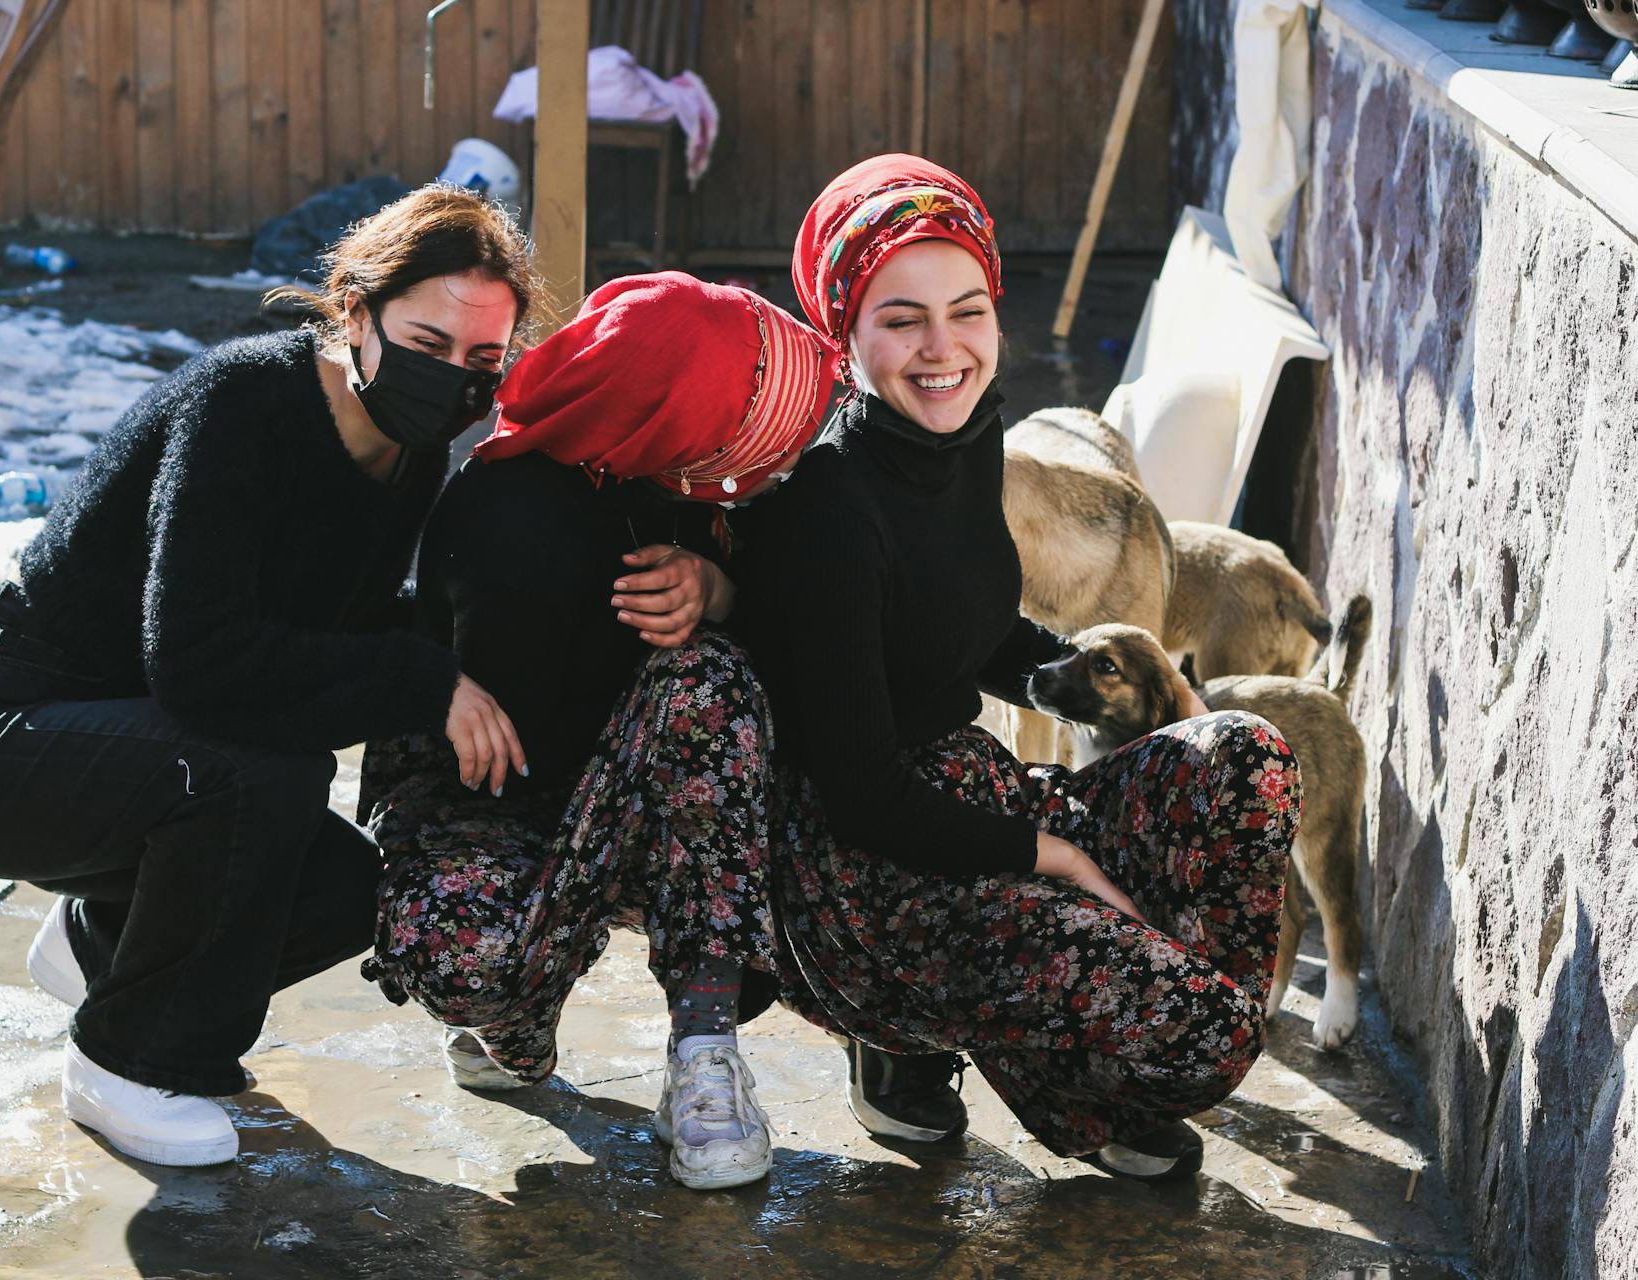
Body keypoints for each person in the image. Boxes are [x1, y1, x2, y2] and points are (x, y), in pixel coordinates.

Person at [0, 185, 539, 1168]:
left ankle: (103, 948)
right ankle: (130, 1059)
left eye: (482, 361)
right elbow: (201, 667)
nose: (453, 377)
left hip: (132, 755)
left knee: (351, 887)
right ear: (357, 314)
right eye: (429, 339)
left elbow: (337, 636)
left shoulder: (406, 458)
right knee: (261, 774)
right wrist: (422, 678)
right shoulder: (244, 402)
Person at [732, 155, 1299, 1180]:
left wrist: (1144, 694)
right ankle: (909, 1034)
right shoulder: (826, 501)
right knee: (1206, 1034)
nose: (944, 348)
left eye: (969, 309)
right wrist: (1059, 856)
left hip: (974, 793)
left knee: (1242, 755)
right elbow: (860, 792)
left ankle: (1073, 1072)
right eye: (902, 319)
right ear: (843, 330)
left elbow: (970, 622)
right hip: (869, 883)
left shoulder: (964, 435)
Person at [358, 273, 839, 1190]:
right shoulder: (509, 513)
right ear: (663, 418)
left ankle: (705, 1048)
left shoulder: (683, 490)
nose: (766, 448)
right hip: (499, 799)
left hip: (644, 797)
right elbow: (532, 753)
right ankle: (509, 1018)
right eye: (740, 417)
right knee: (469, 953)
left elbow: (810, 640)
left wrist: (721, 595)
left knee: (707, 674)